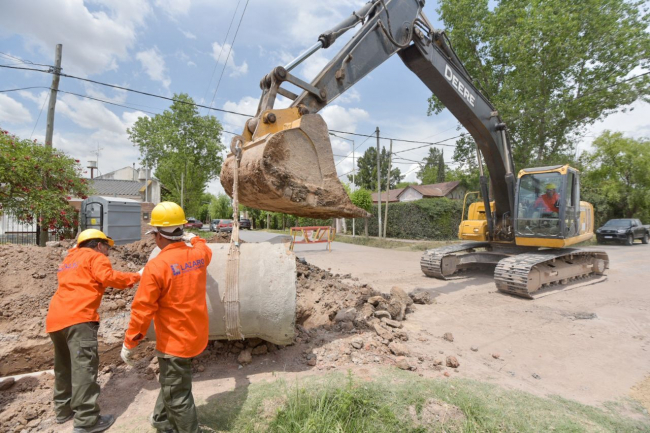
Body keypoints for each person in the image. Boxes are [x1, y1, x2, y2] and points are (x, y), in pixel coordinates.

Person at [121, 202, 212, 433]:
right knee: (173, 383)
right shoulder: (199, 255)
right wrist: (195, 238)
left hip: (174, 343)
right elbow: (206, 249)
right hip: (195, 335)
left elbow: (142, 310)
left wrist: (130, 342)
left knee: (178, 395)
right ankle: (161, 420)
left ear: (158, 235)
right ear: (181, 231)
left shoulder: (157, 266)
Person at [46, 229, 141, 433]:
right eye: (107, 247)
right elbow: (109, 278)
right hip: (79, 319)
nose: (108, 252)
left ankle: (63, 411)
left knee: (64, 366)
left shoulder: (70, 259)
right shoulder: (95, 257)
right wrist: (137, 276)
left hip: (55, 319)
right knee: (83, 368)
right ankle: (87, 421)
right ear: (99, 245)